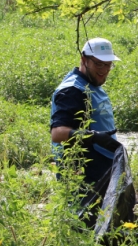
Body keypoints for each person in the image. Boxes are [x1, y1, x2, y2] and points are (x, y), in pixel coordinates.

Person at [50, 38, 122, 226]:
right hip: (82, 173)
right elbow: (58, 133)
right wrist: (94, 137)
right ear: (84, 60)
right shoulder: (73, 90)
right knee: (84, 226)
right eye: (98, 63)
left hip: (98, 168)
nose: (103, 70)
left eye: (108, 65)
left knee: (105, 225)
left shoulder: (92, 86)